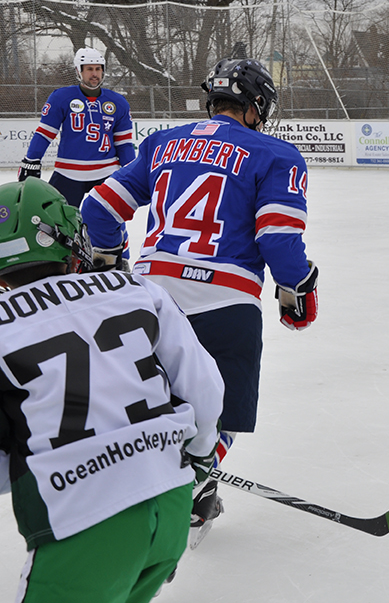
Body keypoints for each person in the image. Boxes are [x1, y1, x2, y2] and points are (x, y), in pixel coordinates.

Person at [80, 57, 319, 546]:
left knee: (148, 399)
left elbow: (98, 207)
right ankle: (192, 491)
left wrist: (109, 257)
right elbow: (277, 240)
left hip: (149, 299)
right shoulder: (276, 154)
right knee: (219, 413)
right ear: (255, 105)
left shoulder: (163, 142)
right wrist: (298, 291)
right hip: (224, 303)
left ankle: (137, 489)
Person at [0, 178, 223, 603]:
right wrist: (200, 454)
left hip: (84, 522)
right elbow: (204, 387)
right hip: (170, 507)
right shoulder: (135, 288)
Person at [19, 47, 136, 207]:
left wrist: (132, 169)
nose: (94, 74)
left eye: (98, 69)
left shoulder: (118, 102)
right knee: (56, 217)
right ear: (78, 71)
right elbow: (45, 134)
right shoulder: (61, 97)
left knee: (110, 218)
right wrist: (32, 158)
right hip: (68, 171)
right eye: (89, 69)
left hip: (106, 171)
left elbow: (123, 143)